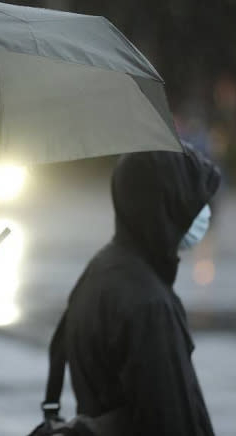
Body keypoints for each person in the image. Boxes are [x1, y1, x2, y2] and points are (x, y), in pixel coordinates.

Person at [39, 144, 220, 436]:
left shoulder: (103, 269)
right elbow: (173, 421)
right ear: (167, 203)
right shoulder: (149, 304)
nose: (203, 212)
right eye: (193, 200)